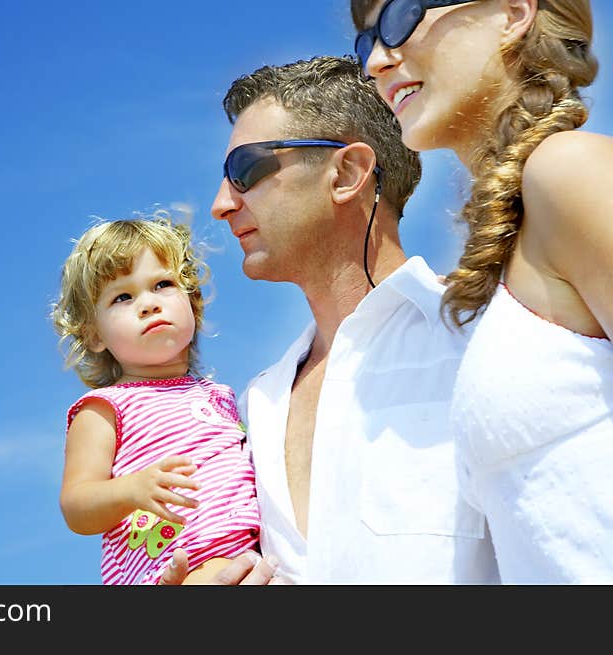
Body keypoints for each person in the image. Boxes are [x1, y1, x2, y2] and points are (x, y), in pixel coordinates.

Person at [161, 55, 499, 584]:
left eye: (245, 170)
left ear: (347, 173)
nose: (221, 204)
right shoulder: (255, 407)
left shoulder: (489, 335)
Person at [350, 0, 612, 582]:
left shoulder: (568, 170)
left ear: (514, 12)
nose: (377, 62)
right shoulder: (514, 249)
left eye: (398, 18)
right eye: (366, 42)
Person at [50, 214, 261, 585]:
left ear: (192, 304)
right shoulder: (105, 408)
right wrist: (131, 489)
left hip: (254, 557)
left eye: (163, 284)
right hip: (176, 571)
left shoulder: (224, 398)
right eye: (123, 297)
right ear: (94, 334)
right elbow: (77, 506)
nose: (147, 304)